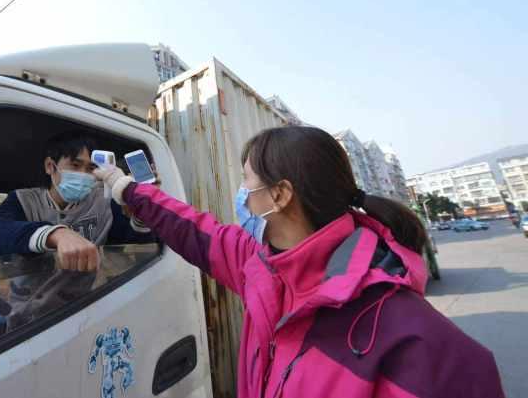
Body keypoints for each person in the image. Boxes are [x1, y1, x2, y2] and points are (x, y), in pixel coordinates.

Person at [95, 126, 504, 398]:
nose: (242, 193)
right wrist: (124, 187)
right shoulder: (258, 266)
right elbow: (192, 228)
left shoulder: (415, 338)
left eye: (247, 181)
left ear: (280, 194)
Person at [0, 133, 155, 270]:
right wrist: (56, 234)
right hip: (30, 305)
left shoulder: (103, 200)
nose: (84, 174)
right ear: (50, 166)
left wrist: (140, 214)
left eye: (90, 168)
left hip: (85, 300)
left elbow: (137, 244)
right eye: (75, 165)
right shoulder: (23, 200)